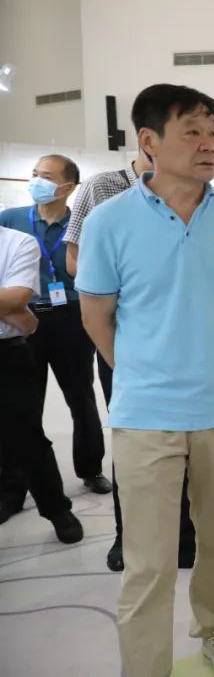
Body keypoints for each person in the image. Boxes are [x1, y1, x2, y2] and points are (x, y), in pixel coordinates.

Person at [77, 83, 214, 677]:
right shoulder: (108, 221)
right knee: (148, 559)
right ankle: (145, 666)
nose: (209, 144)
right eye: (192, 132)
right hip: (145, 415)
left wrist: (211, 357)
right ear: (149, 141)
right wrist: (143, 369)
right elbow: (96, 315)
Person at [65, 147, 212, 573]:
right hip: (127, 341)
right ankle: (126, 535)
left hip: (188, 341)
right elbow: (74, 258)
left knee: (191, 439)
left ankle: (187, 536)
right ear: (150, 138)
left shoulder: (199, 192)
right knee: (135, 442)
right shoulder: (104, 188)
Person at [0, 154, 111, 496]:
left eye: (46, 176)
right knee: (22, 405)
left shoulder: (84, 224)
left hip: (71, 318)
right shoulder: (11, 220)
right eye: (34, 174)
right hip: (22, 318)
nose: (36, 181)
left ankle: (91, 468)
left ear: (67, 187)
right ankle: (15, 485)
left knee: (81, 398)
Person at [0, 224, 83, 544]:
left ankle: (57, 509)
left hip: (8, 355)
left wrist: (13, 306)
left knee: (28, 438)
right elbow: (11, 302)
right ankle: (8, 495)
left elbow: (19, 296)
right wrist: (9, 309)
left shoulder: (18, 242)